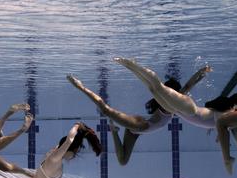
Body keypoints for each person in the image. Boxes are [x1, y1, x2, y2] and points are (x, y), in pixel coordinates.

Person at [67, 66, 211, 165]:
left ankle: (114, 130)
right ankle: (80, 86)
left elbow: (187, 87)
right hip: (140, 125)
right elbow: (185, 87)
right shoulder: (169, 102)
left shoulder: (175, 102)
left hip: (139, 130)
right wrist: (201, 72)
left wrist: (201, 73)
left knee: (123, 161)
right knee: (106, 110)